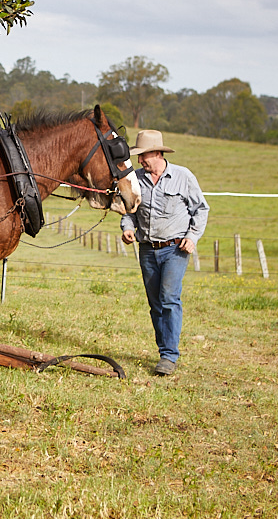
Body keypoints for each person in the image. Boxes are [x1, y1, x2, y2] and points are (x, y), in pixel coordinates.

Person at [120, 130, 209, 376]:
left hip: (175, 249)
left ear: (158, 153)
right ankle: (164, 351)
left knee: (169, 298)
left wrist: (192, 237)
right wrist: (128, 228)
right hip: (147, 249)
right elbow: (129, 211)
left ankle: (169, 356)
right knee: (155, 303)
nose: (140, 161)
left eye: (143, 156)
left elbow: (201, 210)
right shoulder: (136, 179)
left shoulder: (183, 176)